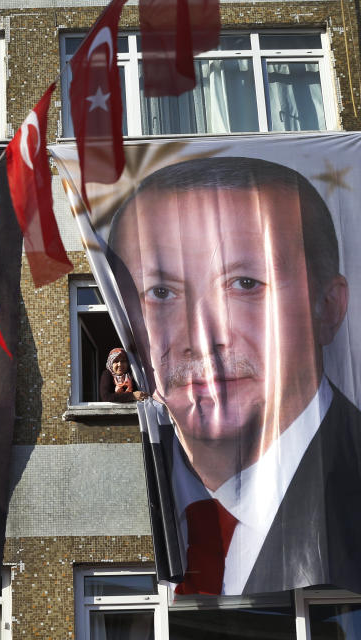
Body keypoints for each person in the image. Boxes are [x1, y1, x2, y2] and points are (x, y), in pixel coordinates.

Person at [107, 156, 360, 595]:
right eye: (160, 293)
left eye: (245, 284)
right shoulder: (161, 499)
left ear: (328, 307)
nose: (203, 338)